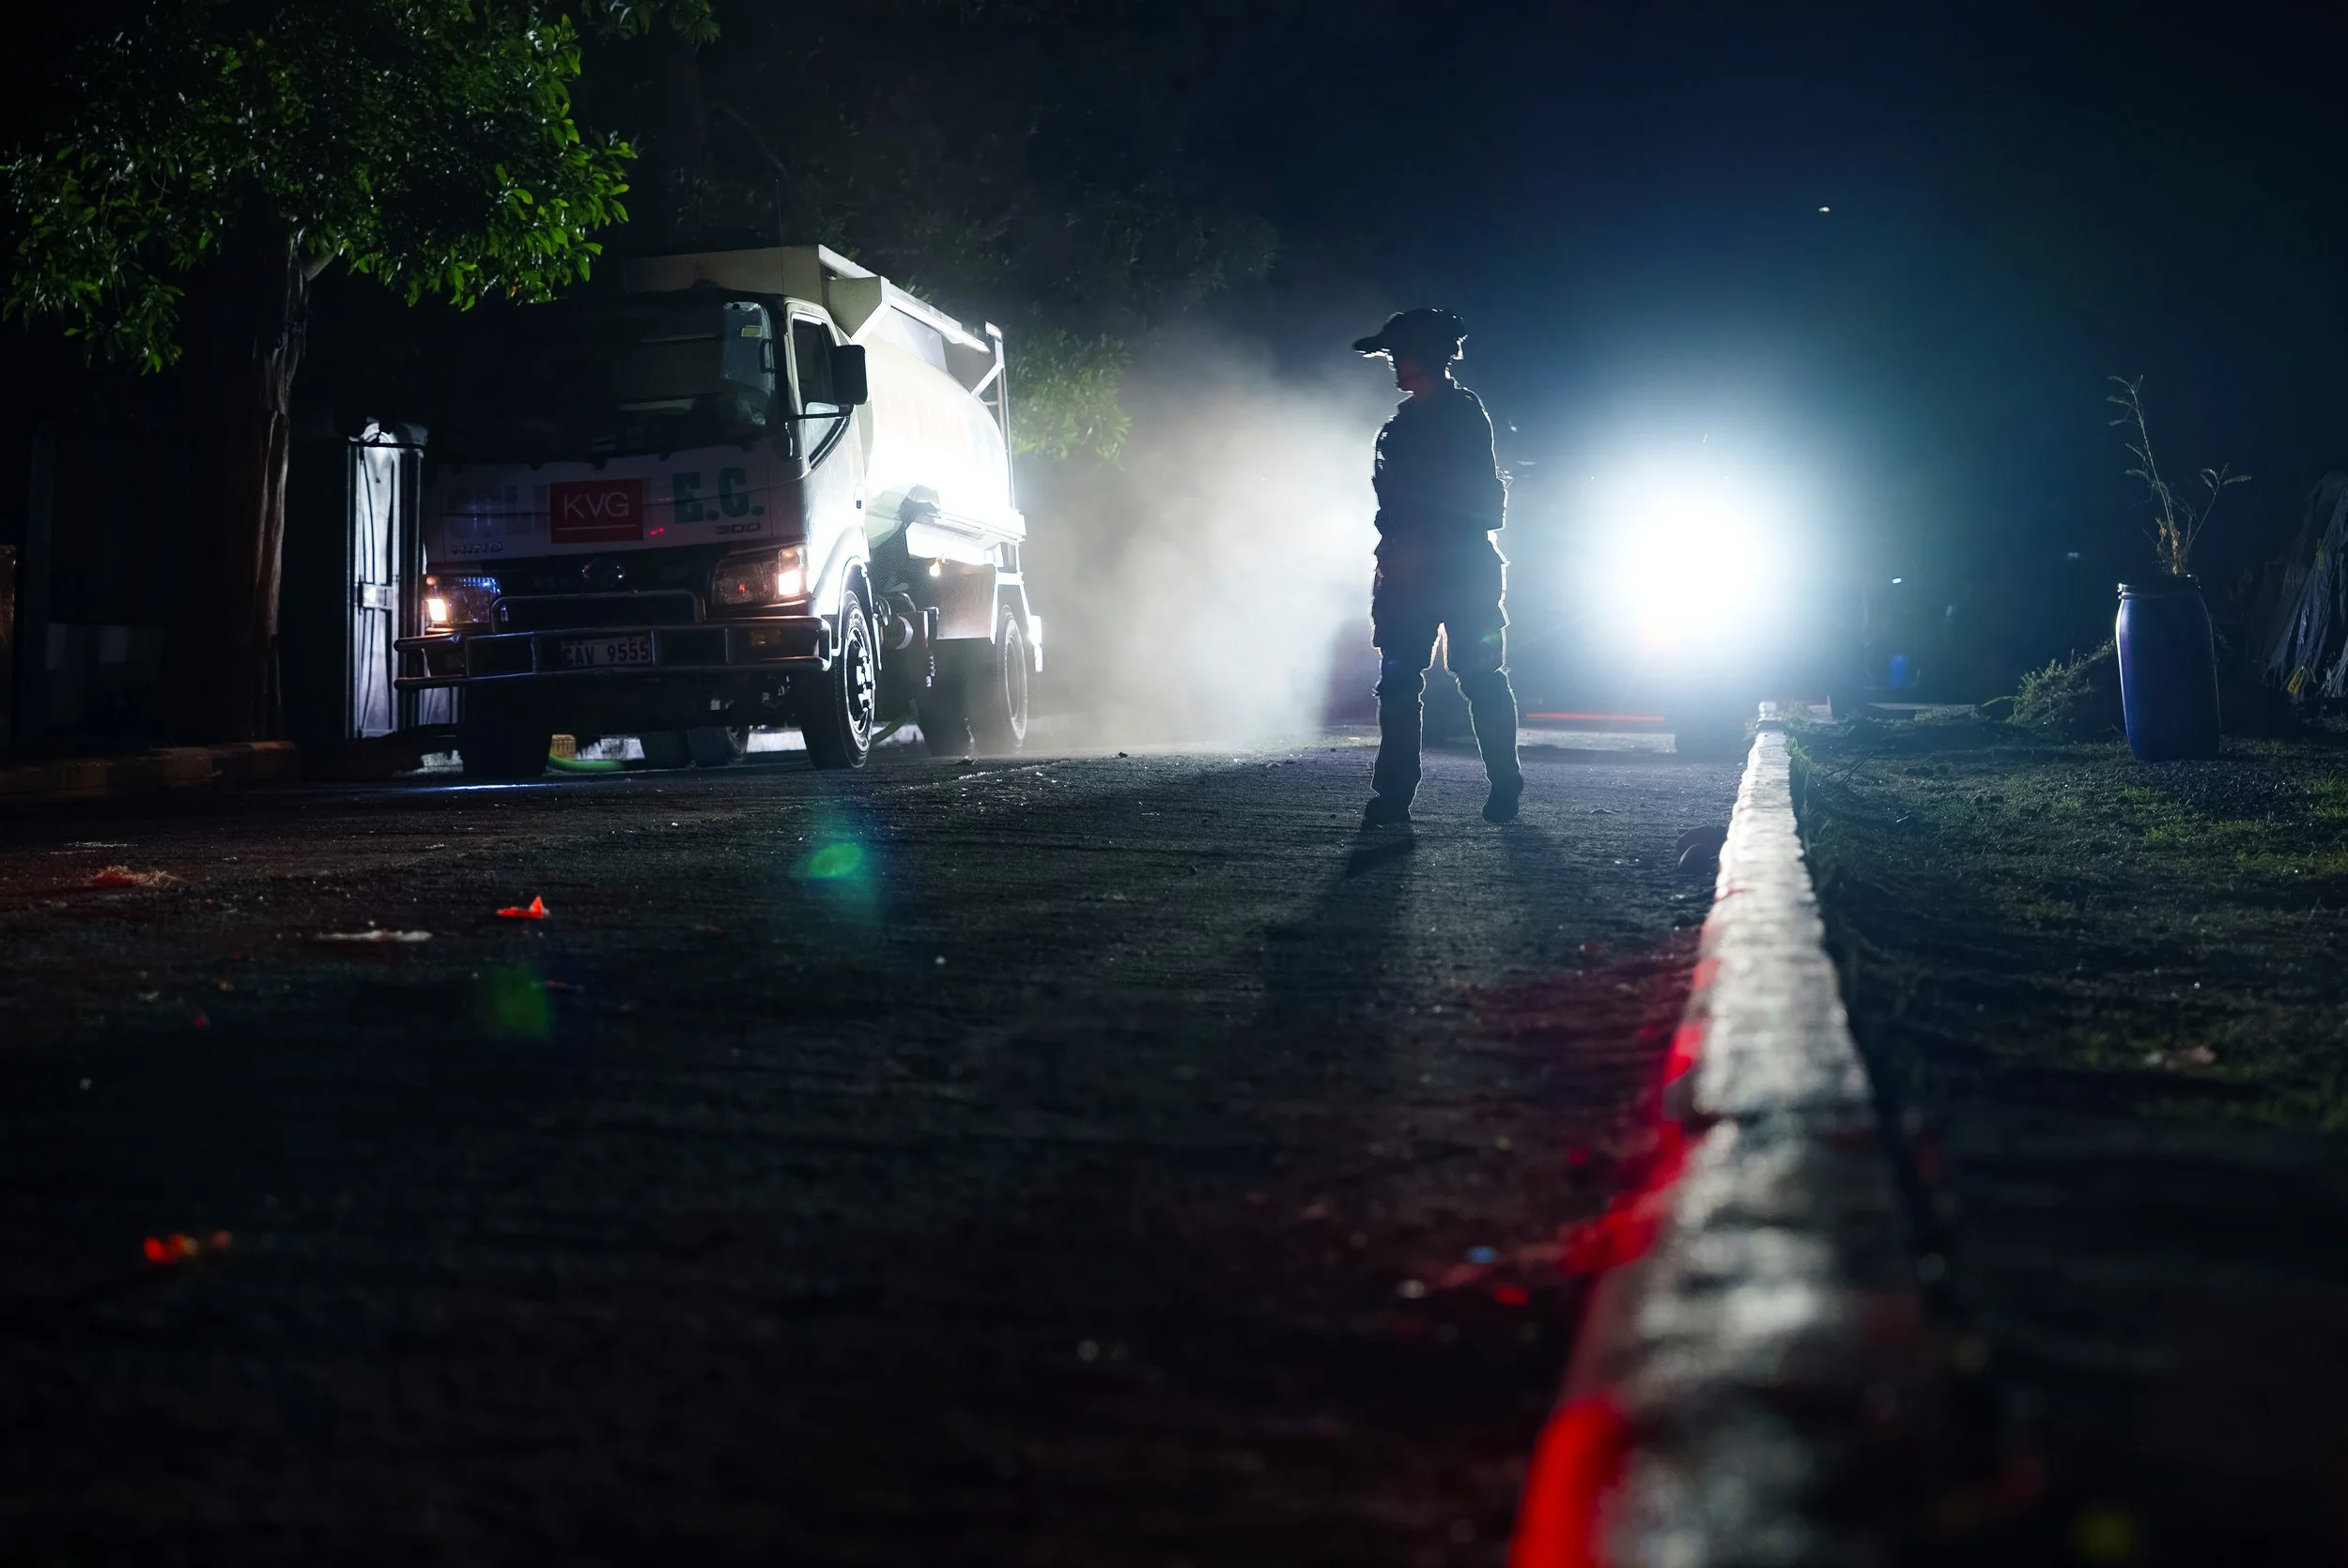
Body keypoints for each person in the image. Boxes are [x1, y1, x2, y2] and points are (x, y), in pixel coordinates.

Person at [1352, 308, 1522, 825]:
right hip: (1413, 566)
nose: (1394, 365)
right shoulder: (1404, 423)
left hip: (1457, 562)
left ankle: (1503, 781)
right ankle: (1397, 791)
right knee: (1401, 678)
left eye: (1399, 354)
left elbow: (1469, 498)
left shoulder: (1457, 415)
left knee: (1476, 674)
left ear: (1425, 356)